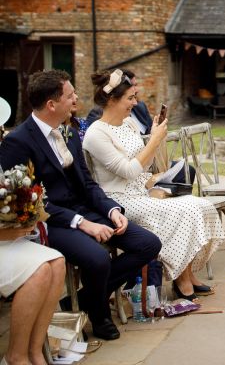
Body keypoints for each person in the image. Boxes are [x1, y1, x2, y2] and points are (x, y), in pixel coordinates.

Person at [0, 70, 161, 341]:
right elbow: (28, 200)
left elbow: (87, 184)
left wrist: (112, 211)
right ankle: (99, 316)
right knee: (97, 259)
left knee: (148, 244)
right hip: (51, 221)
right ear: (51, 104)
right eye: (70, 94)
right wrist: (82, 223)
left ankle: (88, 297)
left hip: (86, 209)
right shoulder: (18, 142)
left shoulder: (70, 131)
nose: (76, 98)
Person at [82, 69, 225, 301]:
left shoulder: (128, 124)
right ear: (111, 100)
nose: (135, 103)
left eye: (135, 96)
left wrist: (151, 138)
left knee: (200, 205)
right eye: (130, 98)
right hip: (119, 200)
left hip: (141, 191)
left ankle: (186, 274)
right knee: (186, 210)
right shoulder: (95, 134)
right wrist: (156, 139)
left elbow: (145, 164)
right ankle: (181, 280)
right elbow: (128, 171)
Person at [1, 229, 65, 365]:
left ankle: (34, 352)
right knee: (39, 272)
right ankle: (15, 357)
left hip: (9, 242)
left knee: (57, 262)